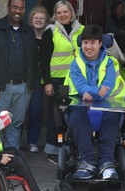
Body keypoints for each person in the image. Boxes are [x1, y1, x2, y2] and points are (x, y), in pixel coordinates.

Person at [67, 24, 125, 180]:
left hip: (106, 105)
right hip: (82, 106)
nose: (89, 46)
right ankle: (86, 161)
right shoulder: (76, 63)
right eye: (86, 42)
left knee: (111, 116)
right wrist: (94, 92)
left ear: (100, 44)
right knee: (76, 117)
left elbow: (108, 85)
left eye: (93, 42)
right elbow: (79, 85)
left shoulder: (110, 62)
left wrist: (91, 93)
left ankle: (106, 163)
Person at [0, 0, 38, 149]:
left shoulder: (28, 30)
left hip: (23, 86)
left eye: (21, 8)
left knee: (15, 124)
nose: (18, 11)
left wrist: (32, 83)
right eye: (15, 7)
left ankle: (11, 159)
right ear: (8, 7)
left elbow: (34, 58)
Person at [41, 0, 84, 164]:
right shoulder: (50, 31)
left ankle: (73, 148)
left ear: (71, 13)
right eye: (59, 13)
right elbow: (44, 59)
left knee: (75, 114)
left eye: (65, 12)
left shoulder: (81, 30)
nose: (62, 15)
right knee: (58, 115)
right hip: (58, 80)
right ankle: (54, 150)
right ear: (55, 15)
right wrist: (47, 82)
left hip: (77, 79)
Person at [26, 6, 50, 153]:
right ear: (31, 20)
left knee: (36, 111)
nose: (39, 20)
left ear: (46, 20)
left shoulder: (49, 36)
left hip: (42, 79)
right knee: (19, 112)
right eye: (36, 18)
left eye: (42, 18)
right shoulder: (26, 35)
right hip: (26, 78)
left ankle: (32, 141)